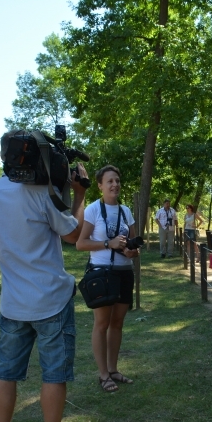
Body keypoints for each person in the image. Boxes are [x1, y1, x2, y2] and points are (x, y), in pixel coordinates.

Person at [0, 131, 89, 422]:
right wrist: (79, 195)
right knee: (53, 373)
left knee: (6, 372)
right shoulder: (42, 192)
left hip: (13, 301)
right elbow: (72, 234)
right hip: (50, 300)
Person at [76, 165, 140, 392]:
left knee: (118, 323)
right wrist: (107, 243)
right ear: (100, 185)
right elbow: (80, 243)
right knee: (101, 323)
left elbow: (134, 243)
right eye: (110, 181)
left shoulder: (126, 211)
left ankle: (113, 369)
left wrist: (133, 252)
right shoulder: (93, 210)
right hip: (102, 273)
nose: (115, 185)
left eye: (117, 180)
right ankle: (103, 375)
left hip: (124, 272)